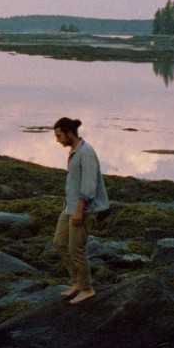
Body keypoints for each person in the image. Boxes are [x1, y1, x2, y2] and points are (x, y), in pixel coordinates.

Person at [52, 117, 109, 305]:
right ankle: (76, 281)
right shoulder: (74, 151)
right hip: (69, 206)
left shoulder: (86, 152)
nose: (57, 140)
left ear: (69, 133)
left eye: (59, 135)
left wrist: (80, 210)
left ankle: (87, 288)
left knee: (76, 249)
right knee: (60, 243)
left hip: (83, 209)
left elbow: (89, 185)